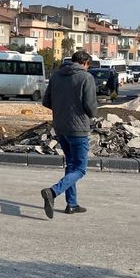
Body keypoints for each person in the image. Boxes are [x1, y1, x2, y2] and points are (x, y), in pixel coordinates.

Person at [40, 50, 98, 218]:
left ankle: (71, 204)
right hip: (78, 129)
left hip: (60, 127)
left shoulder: (56, 76)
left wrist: (61, 111)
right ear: (86, 63)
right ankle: (52, 191)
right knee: (80, 169)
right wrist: (90, 114)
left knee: (71, 165)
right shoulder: (86, 78)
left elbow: (46, 101)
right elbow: (90, 106)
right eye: (89, 65)